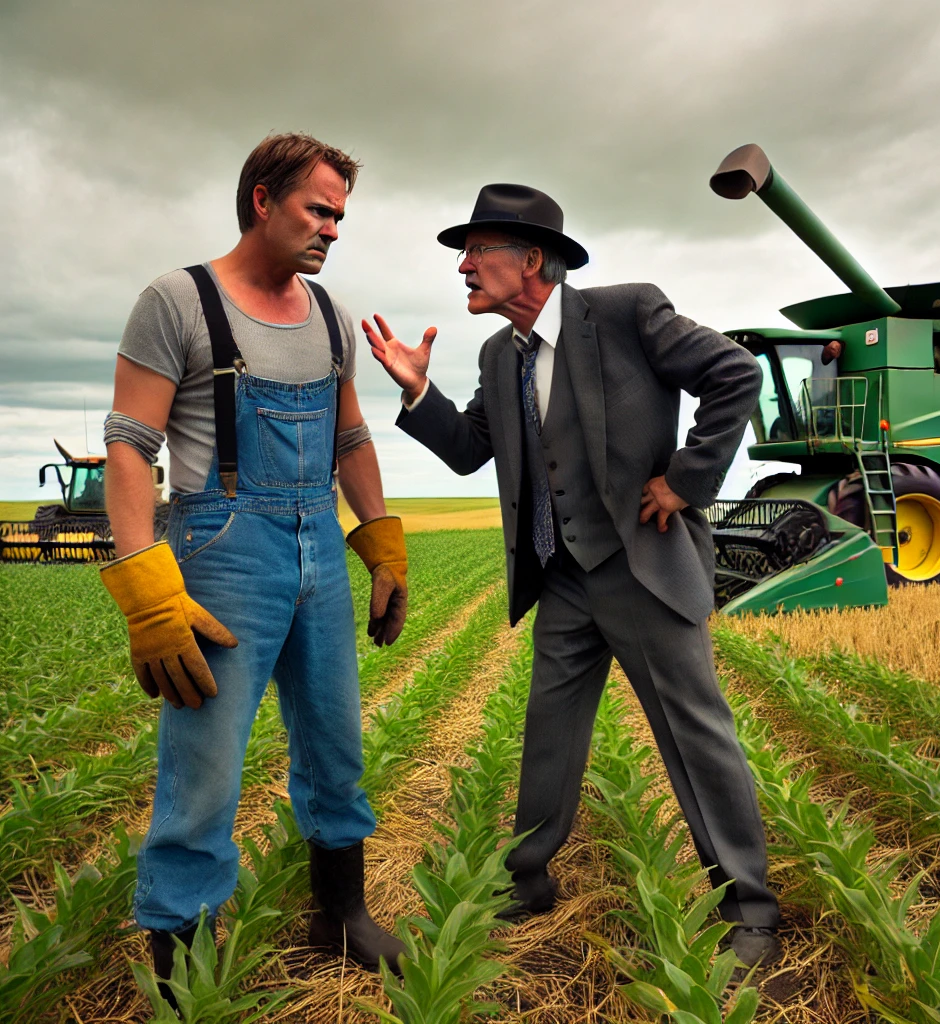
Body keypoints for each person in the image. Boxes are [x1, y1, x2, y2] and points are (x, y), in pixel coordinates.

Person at [363, 183, 781, 967]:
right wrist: (416, 388)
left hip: (642, 569)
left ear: (530, 261)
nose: (462, 265)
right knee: (548, 733)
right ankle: (526, 881)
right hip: (562, 578)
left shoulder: (626, 313)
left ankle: (749, 906)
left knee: (694, 736)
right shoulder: (497, 354)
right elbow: (467, 449)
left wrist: (688, 480)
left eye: (477, 250)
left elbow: (734, 374)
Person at [101, 133, 408, 1002]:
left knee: (336, 742)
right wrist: (145, 584)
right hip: (223, 551)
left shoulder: (329, 315)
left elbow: (350, 438)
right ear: (262, 200)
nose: (333, 230)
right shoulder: (178, 301)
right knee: (205, 765)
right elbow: (129, 447)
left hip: (318, 539)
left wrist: (380, 540)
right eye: (319, 209)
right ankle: (180, 964)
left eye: (341, 215)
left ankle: (338, 914)